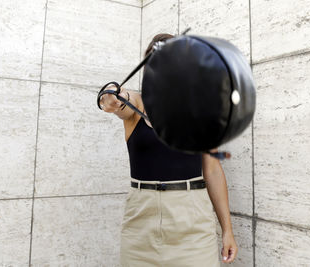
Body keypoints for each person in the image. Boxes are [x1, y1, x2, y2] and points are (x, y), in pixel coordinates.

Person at [99, 33, 237, 266]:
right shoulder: (137, 103)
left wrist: (227, 230)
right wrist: (109, 97)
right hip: (141, 221)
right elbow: (115, 101)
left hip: (192, 221)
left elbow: (212, 171)